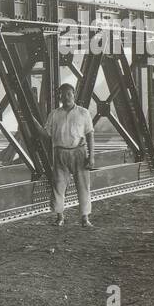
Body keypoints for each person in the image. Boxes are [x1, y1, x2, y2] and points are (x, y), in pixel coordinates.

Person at [40, 84, 95, 227]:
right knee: (58, 185)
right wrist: (30, 125)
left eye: (69, 94)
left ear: (74, 94)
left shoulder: (84, 113)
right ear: (59, 97)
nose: (66, 97)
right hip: (60, 153)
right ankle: (60, 217)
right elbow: (46, 135)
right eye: (62, 95)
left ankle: (85, 218)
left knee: (83, 186)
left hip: (79, 152)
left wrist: (92, 156)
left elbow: (90, 135)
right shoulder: (54, 114)